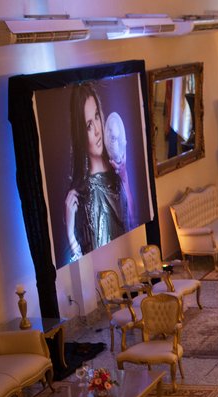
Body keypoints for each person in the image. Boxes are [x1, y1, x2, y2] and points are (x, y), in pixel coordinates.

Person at [64, 82, 130, 262]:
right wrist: (70, 233)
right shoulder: (81, 193)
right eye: (88, 126)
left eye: (96, 117)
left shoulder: (117, 171)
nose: (97, 131)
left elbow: (132, 221)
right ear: (80, 135)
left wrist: (124, 176)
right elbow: (82, 261)